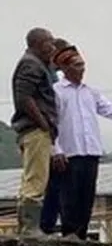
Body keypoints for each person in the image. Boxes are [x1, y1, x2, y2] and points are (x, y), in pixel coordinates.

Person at [51, 45, 112, 240]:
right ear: (65, 68)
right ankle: (70, 235)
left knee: (87, 197)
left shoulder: (91, 92)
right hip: (69, 153)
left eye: (83, 65)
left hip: (91, 151)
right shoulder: (57, 92)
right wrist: (55, 149)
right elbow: (52, 123)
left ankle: (81, 236)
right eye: (77, 65)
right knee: (69, 198)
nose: (82, 69)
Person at [9, 28, 58, 234]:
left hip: (35, 129)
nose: (53, 47)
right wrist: (43, 123)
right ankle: (30, 228)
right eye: (50, 42)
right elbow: (24, 98)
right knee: (36, 180)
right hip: (35, 129)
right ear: (38, 43)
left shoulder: (39, 64)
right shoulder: (30, 64)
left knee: (31, 178)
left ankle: (27, 227)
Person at [39, 38, 72, 234]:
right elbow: (50, 115)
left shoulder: (53, 78)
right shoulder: (49, 79)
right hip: (49, 140)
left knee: (55, 186)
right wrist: (55, 148)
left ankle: (49, 225)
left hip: (53, 138)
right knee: (53, 186)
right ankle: (46, 226)